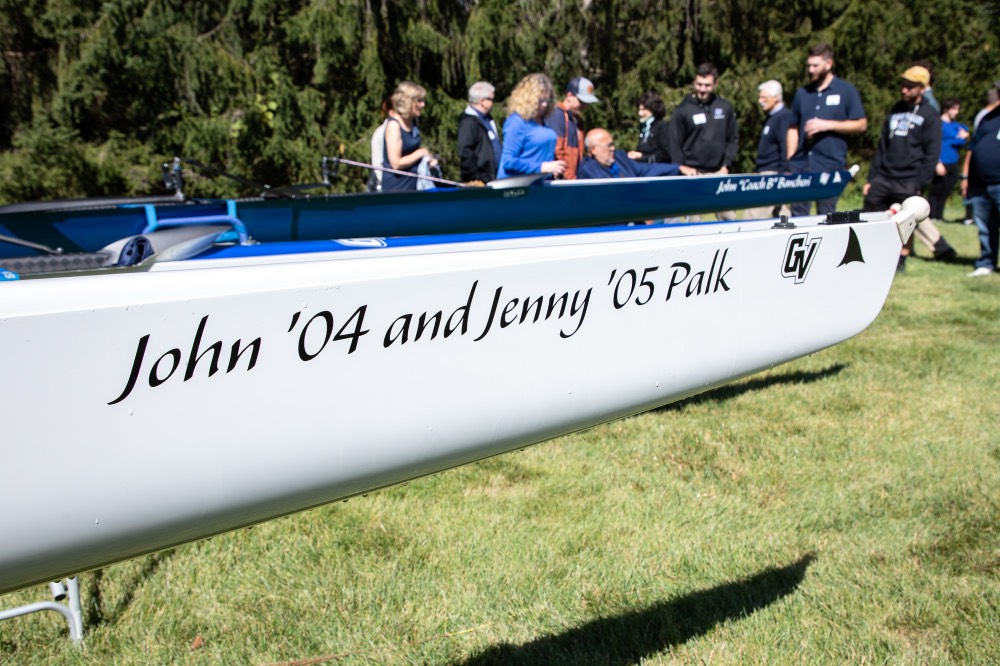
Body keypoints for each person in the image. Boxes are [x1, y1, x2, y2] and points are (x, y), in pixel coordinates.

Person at [862, 65, 954, 271]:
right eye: (903, 85)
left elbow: (931, 154)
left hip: (909, 178)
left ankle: (901, 259)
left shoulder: (930, 115)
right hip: (883, 176)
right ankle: (871, 254)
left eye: (910, 86)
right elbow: (882, 146)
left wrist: (919, 183)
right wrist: (871, 178)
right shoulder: (896, 109)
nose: (904, 89)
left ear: (922, 88)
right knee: (872, 216)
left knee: (906, 221)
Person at [786, 43, 867, 216]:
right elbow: (793, 127)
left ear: (829, 64)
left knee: (827, 215)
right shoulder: (802, 93)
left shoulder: (846, 91)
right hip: (801, 166)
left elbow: (861, 124)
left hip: (830, 164)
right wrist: (790, 158)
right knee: (798, 215)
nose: (811, 70)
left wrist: (828, 124)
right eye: (808, 65)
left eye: (815, 65)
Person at [667, 62, 739, 220]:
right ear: (694, 83)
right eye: (699, 84)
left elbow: (732, 139)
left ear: (715, 84)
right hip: (692, 175)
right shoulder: (682, 111)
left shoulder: (725, 107)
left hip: (718, 173)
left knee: (729, 221)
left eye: (707, 85)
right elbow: (674, 143)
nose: (702, 89)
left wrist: (726, 165)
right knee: (693, 223)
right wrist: (681, 167)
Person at [961, 85, 1000, 277]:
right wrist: (966, 175)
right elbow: (973, 148)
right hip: (980, 183)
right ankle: (986, 262)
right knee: (985, 226)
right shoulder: (987, 118)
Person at [497, 73, 567, 179]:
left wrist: (553, 169)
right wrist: (541, 167)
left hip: (540, 186)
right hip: (516, 188)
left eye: (547, 101)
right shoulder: (516, 122)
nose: (544, 105)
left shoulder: (544, 122)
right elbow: (508, 161)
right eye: (540, 100)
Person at [744, 79, 792, 220]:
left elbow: (785, 147)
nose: (760, 101)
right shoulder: (771, 117)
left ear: (776, 98)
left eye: (764, 97)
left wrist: (784, 172)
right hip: (766, 172)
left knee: (753, 217)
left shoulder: (783, 117)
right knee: (781, 216)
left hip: (774, 174)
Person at [381, 81, 437, 192]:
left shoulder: (413, 122)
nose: (422, 105)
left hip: (414, 185)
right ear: (407, 102)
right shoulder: (394, 125)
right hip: (397, 188)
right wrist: (420, 153)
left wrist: (428, 160)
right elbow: (396, 164)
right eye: (419, 101)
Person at [578, 128, 695, 179]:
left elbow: (648, 169)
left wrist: (678, 168)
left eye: (613, 144)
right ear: (593, 149)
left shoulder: (620, 158)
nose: (613, 149)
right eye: (608, 146)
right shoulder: (587, 171)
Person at [544, 76, 598, 180]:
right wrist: (569, 178)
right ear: (569, 95)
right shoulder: (557, 116)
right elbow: (557, 150)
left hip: (574, 178)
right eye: (581, 101)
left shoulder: (577, 121)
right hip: (562, 181)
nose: (585, 106)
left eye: (587, 103)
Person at [927, 99, 969, 223]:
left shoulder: (957, 126)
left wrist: (965, 137)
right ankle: (931, 216)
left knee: (946, 191)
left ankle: (939, 216)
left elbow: (962, 139)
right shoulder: (938, 124)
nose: (956, 112)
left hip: (953, 162)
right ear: (946, 109)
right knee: (936, 190)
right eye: (954, 109)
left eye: (957, 109)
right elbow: (933, 144)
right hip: (940, 161)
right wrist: (937, 162)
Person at [457, 81, 502, 184]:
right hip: (480, 181)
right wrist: (475, 177)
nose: (493, 103)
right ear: (482, 101)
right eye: (491, 99)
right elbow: (465, 151)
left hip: (494, 177)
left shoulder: (487, 119)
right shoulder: (468, 122)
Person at [627, 91, 671, 163]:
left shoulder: (661, 126)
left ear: (653, 109)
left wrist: (642, 157)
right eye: (639, 109)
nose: (640, 113)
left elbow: (665, 155)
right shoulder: (644, 127)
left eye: (643, 109)